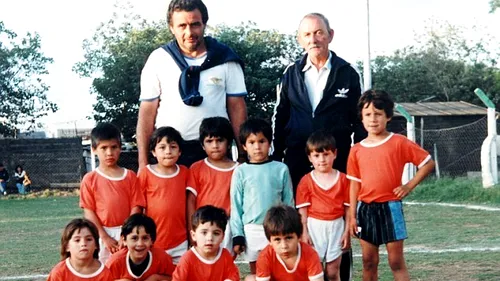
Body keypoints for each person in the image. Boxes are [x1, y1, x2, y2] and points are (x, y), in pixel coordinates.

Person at [271, 12, 365, 280]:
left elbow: (359, 121)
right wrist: (276, 157)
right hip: (298, 161)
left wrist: (357, 161)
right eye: (308, 34)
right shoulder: (290, 74)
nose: (314, 39)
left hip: (337, 161)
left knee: (340, 225)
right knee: (299, 225)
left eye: (319, 32)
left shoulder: (347, 73)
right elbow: (280, 117)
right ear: (300, 39)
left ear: (330, 35)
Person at [136, 0, 247, 169]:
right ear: (171, 28)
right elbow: (147, 113)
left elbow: (237, 108)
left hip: (215, 152)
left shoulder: (225, 59)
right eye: (182, 26)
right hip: (169, 154)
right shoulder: (158, 60)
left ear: (204, 24)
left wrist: (243, 155)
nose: (189, 32)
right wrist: (143, 162)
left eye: (195, 24)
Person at [347, 90, 435, 281]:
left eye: (378, 114)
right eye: (368, 114)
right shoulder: (356, 150)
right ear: (361, 118)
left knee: (396, 261)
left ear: (387, 116)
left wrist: (408, 186)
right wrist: (352, 215)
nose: (373, 119)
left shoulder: (398, 142)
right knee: (369, 261)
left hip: (391, 208)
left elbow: (427, 163)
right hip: (365, 210)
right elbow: (354, 184)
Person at [230, 118, 294, 276]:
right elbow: (236, 206)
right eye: (251, 142)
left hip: (277, 230)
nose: (257, 147)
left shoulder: (281, 169)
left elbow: (289, 202)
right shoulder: (240, 171)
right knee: (258, 273)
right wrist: (238, 235)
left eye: (262, 141)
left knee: (280, 272)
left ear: (269, 142)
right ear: (244, 146)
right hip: (251, 230)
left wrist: (290, 228)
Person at [79, 123, 145, 264]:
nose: (109, 153)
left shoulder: (130, 176)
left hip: (128, 233)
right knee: (103, 270)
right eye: (104, 148)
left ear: (120, 148)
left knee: (127, 269)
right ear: (94, 149)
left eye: (113, 147)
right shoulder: (90, 179)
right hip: (101, 232)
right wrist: (104, 236)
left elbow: (136, 207)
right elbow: (89, 211)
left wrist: (126, 234)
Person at [296, 130, 350, 281]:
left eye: (326, 154)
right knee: (315, 272)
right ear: (310, 157)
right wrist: (304, 232)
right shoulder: (306, 181)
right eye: (316, 155)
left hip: (336, 227)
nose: (322, 159)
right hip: (314, 227)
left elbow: (348, 209)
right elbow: (303, 211)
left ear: (335, 154)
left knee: (333, 273)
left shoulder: (344, 179)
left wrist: (346, 232)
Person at [137, 126, 191, 264]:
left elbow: (190, 205)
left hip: (180, 241)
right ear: (153, 152)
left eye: (173, 146)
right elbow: (138, 207)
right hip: (153, 241)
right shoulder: (146, 173)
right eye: (162, 147)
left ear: (180, 151)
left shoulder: (185, 173)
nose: (168, 151)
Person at [187, 117, 239, 252]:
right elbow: (191, 201)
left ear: (228, 143)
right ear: (203, 145)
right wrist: (192, 227)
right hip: (202, 224)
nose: (215, 145)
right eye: (209, 141)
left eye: (220, 140)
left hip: (227, 226)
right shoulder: (196, 168)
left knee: (224, 262)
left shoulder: (239, 169)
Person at [246, 205, 324, 281]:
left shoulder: (310, 254)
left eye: (288, 238)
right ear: (269, 241)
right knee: (250, 279)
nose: (284, 246)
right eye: (277, 240)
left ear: (299, 237)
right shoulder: (265, 256)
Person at [172, 205, 240, 281]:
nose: (210, 238)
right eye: (204, 232)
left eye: (216, 233)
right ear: (193, 235)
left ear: (223, 237)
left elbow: (234, 276)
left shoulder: (225, 255)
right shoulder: (188, 259)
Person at [106, 213, 175, 281]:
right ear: (124, 240)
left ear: (152, 240)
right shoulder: (114, 263)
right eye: (134, 238)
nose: (140, 244)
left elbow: (175, 277)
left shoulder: (162, 258)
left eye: (145, 238)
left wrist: (157, 278)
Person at [47, 218, 113, 280]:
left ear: (96, 244)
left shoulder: (104, 273)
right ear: (67, 246)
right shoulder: (59, 272)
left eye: (88, 239)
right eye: (77, 240)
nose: (83, 244)